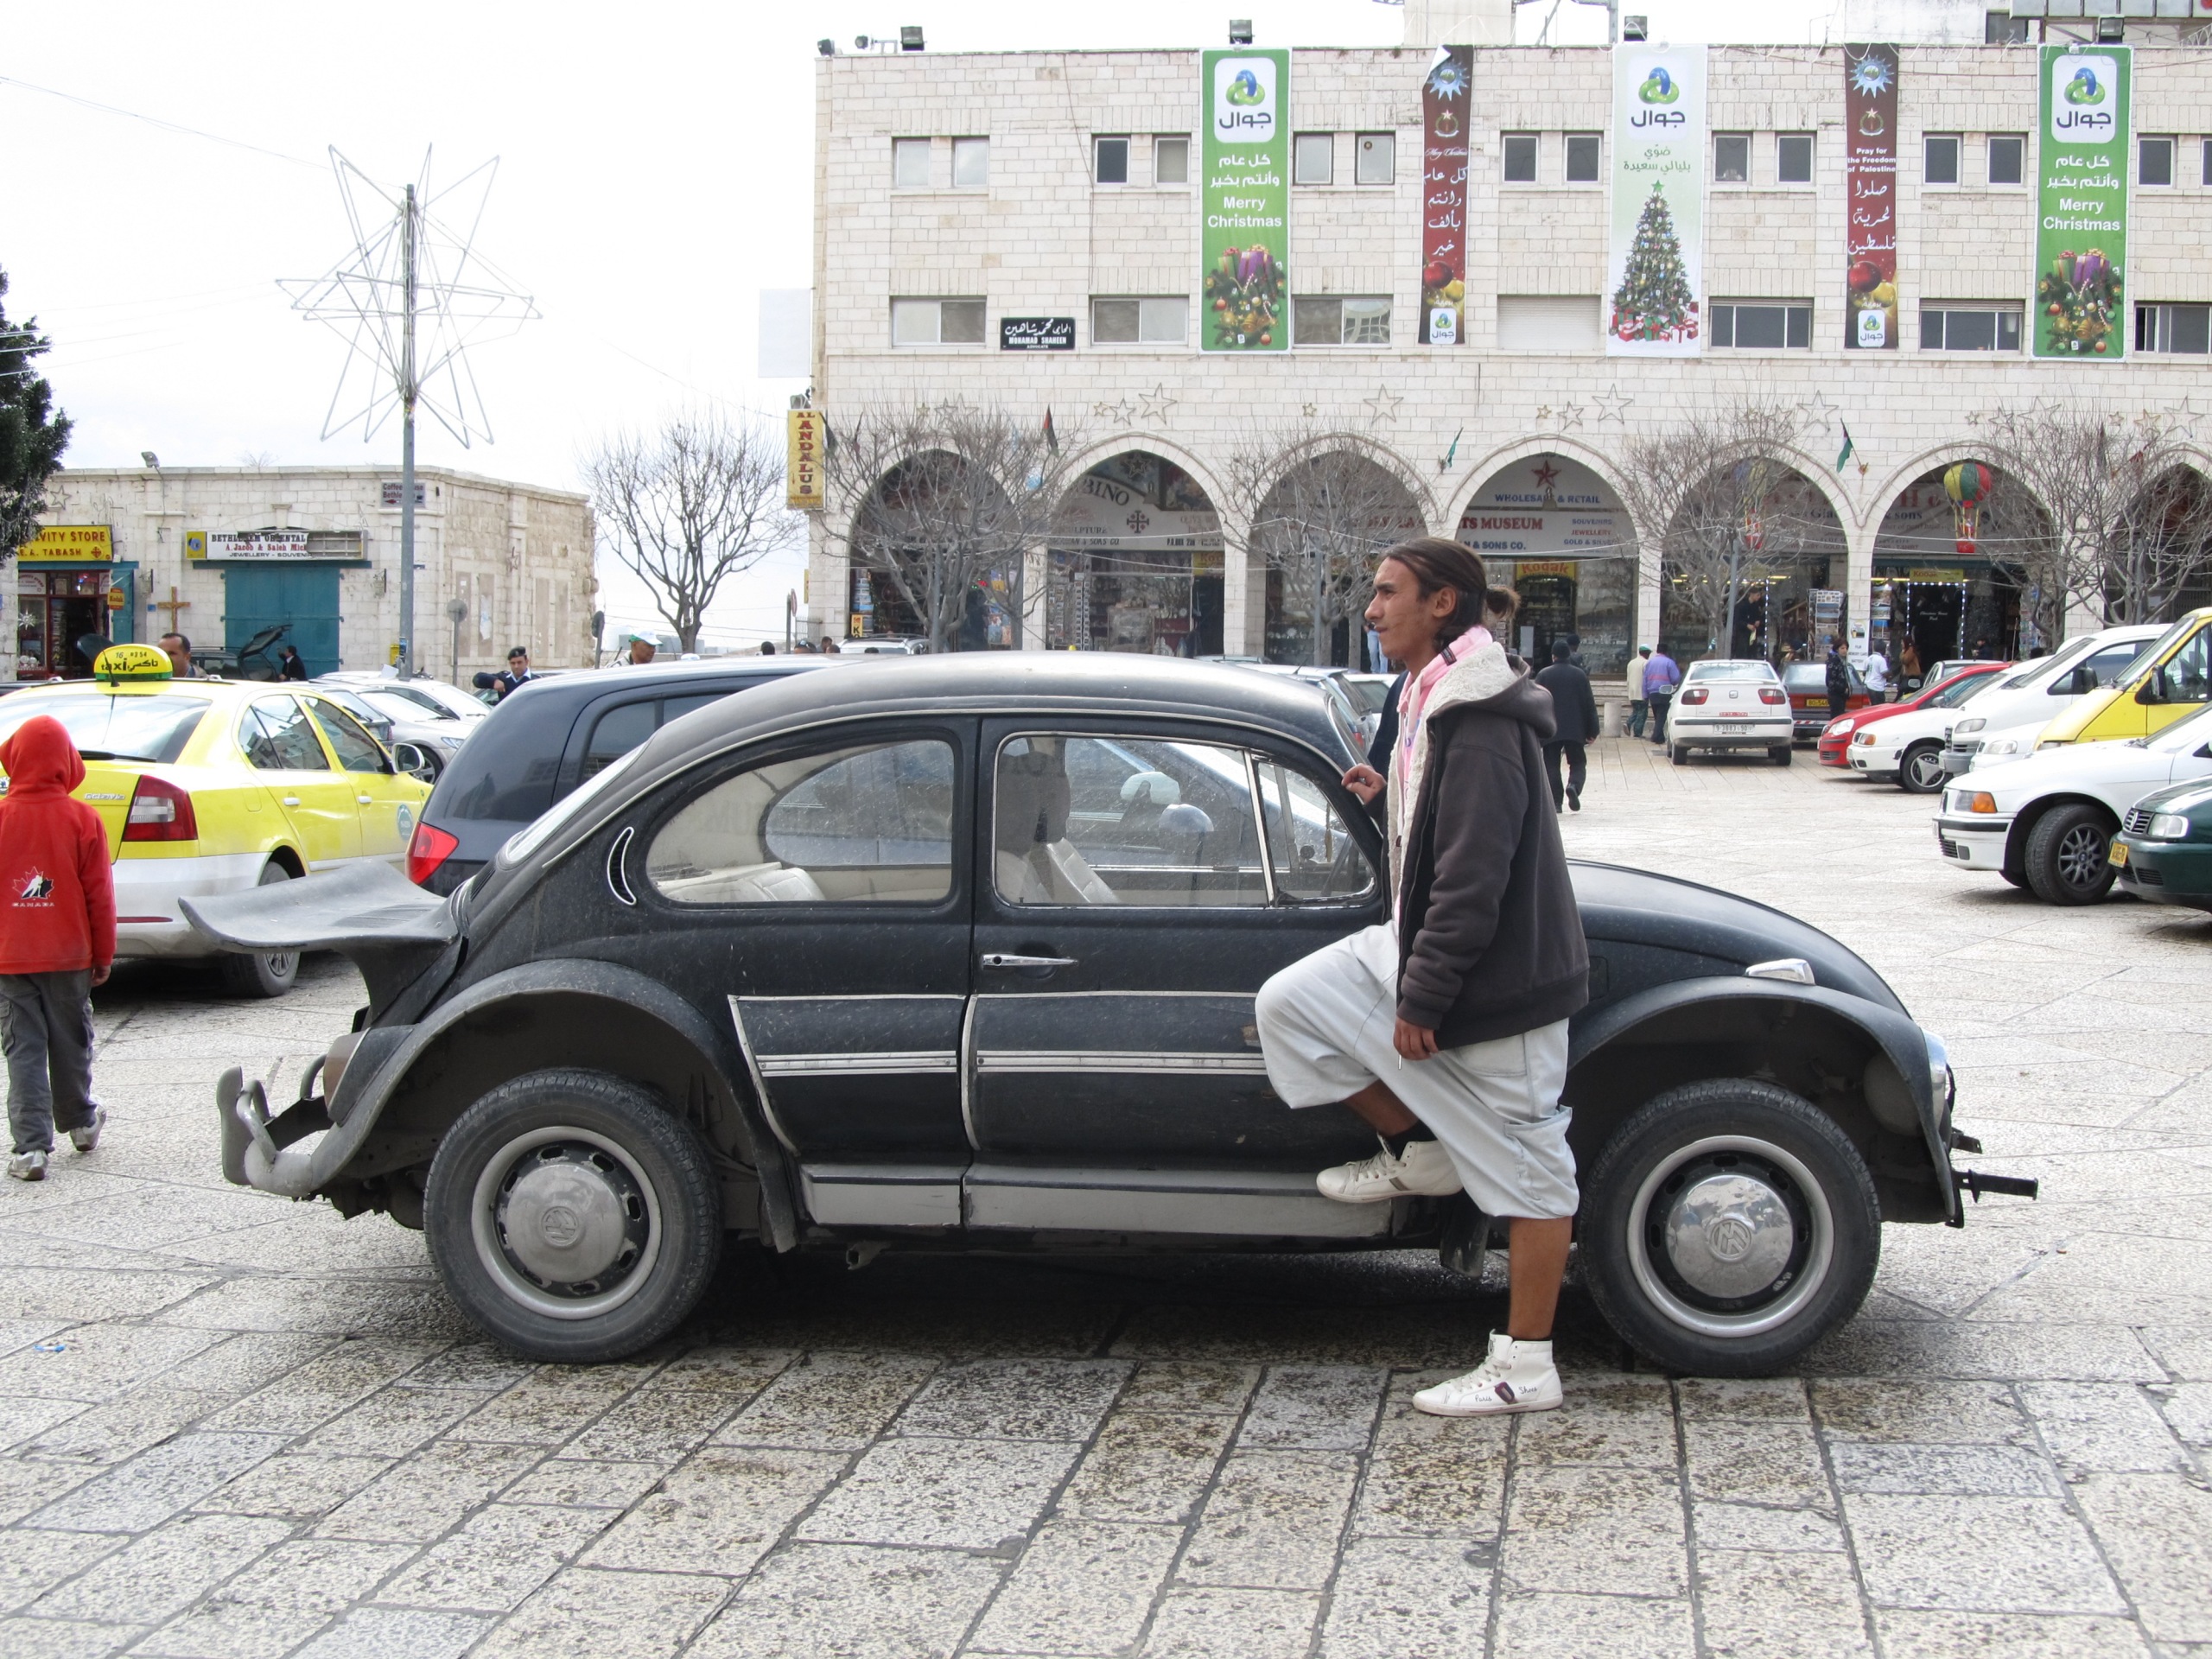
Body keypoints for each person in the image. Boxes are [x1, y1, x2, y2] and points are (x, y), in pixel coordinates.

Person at [1255, 537, 1590, 1418]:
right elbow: (1444, 827)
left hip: (1502, 984)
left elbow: (1474, 876)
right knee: (1291, 1008)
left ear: (1442, 604)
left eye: (1387, 593)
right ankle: (1420, 1150)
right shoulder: (1430, 693)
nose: (1371, 610)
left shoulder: (1478, 716)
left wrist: (1423, 996)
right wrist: (1391, 796)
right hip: (1414, 943)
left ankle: (1525, 1365)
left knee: (1532, 1172)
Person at [0, 717, 114, 1182]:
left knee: (23, 1048)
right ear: (68, 762)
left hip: (10, 956)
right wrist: (103, 954)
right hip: (70, 955)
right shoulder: (83, 819)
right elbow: (99, 896)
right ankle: (82, 1123)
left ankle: (30, 1150)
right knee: (72, 1040)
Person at [1535, 639, 1599, 812]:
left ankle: (1556, 803)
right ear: (1568, 655)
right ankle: (1574, 786)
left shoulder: (1544, 675)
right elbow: (1589, 704)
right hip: (1576, 729)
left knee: (1551, 765)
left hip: (1550, 728)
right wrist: (1593, 730)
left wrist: (1535, 728)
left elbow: (1536, 703)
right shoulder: (1580, 675)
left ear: (1553, 656)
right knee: (1578, 762)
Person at [1644, 644, 1681, 744]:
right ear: (1666, 651)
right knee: (1662, 716)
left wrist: (1645, 694)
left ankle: (1660, 738)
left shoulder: (1650, 663)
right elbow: (1676, 678)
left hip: (1652, 693)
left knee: (1657, 716)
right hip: (1665, 692)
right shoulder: (1669, 662)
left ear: (1657, 651)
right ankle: (1656, 736)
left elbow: (1645, 679)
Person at [1824, 637, 1852, 727]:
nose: (1845, 651)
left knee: (1840, 718)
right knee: (1836, 719)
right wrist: (1843, 689)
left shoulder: (1842, 661)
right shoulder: (1834, 661)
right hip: (1836, 696)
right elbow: (1830, 681)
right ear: (1837, 649)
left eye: (1846, 648)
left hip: (1841, 696)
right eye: (1842, 648)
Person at [1628, 645, 1654, 739]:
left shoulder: (1631, 663)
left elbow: (1628, 679)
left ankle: (1628, 723)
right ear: (1646, 654)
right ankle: (1637, 732)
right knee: (1642, 713)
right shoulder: (1646, 663)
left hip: (1632, 692)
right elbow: (1647, 679)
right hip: (1642, 693)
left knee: (1636, 711)